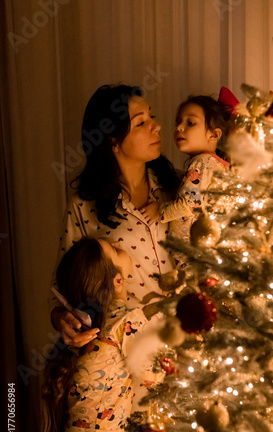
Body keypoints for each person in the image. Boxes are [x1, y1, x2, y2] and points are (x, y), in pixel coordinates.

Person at [50, 85, 179, 348]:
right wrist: (62, 319)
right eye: (141, 122)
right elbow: (62, 288)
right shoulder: (84, 206)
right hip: (131, 352)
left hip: (191, 339)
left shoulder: (178, 188)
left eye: (151, 116)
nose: (156, 126)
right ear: (112, 140)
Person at [42, 237, 164, 432]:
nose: (122, 245)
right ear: (118, 281)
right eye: (117, 250)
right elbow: (153, 374)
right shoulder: (128, 317)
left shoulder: (93, 319)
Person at [140, 95, 230, 240]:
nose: (179, 127)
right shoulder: (217, 166)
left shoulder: (201, 163)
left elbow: (189, 203)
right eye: (178, 122)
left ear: (214, 134)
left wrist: (159, 211)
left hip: (193, 250)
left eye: (190, 123)